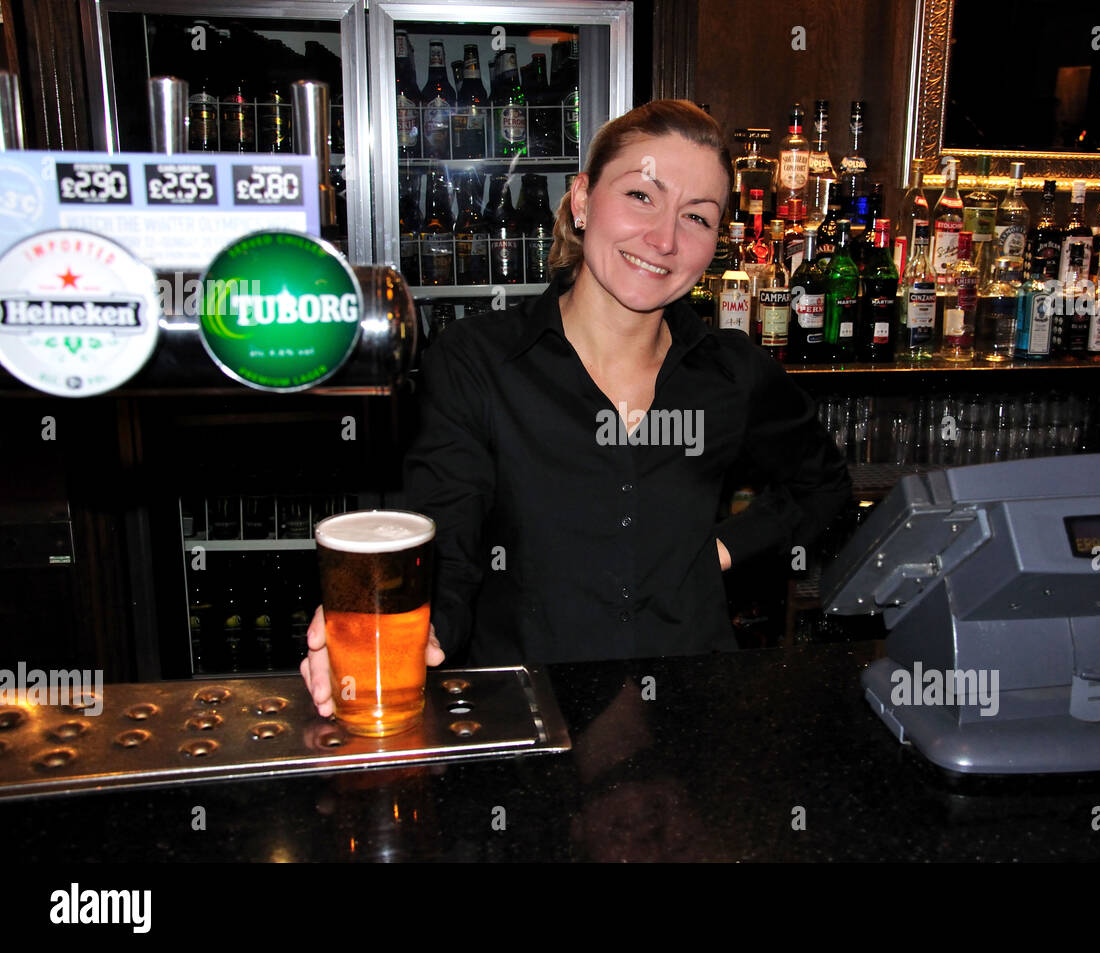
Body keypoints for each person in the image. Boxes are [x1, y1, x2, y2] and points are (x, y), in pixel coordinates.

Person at [302, 100, 850, 717]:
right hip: (531, 718)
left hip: (689, 715)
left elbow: (823, 487)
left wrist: (723, 550)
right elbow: (446, 542)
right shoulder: (476, 363)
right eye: (642, 196)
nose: (665, 238)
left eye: (696, 217)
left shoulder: (731, 372)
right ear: (583, 200)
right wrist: (408, 624)